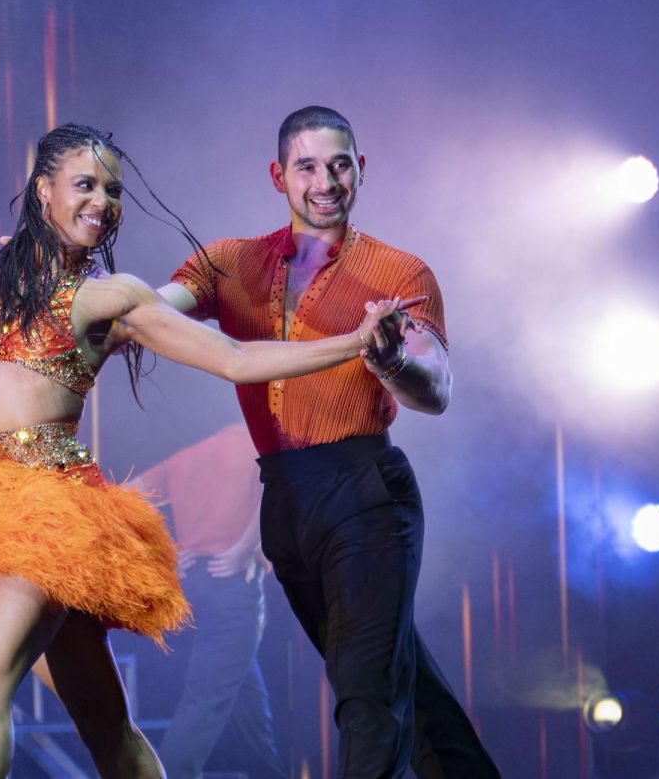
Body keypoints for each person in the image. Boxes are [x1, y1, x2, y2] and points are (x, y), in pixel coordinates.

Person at [0, 122, 415, 779]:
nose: (103, 203)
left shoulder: (107, 298)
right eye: (86, 185)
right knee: (108, 729)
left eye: (112, 191)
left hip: (50, 513)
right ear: (43, 191)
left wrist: (356, 344)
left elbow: (235, 357)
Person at [161, 106, 500, 778]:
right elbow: (150, 309)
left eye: (340, 164)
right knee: (400, 687)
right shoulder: (229, 261)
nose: (326, 180)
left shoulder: (400, 272)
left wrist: (393, 361)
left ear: (361, 169)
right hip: (285, 500)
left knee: (366, 697)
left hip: (365, 492)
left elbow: (436, 387)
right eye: (308, 166)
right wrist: (67, 292)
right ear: (278, 175)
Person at [133, 423, 288, 779]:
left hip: (195, 587)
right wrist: (247, 547)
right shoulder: (255, 444)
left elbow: (126, 496)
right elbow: (276, 493)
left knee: (246, 700)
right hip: (230, 582)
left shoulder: (185, 459)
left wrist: (165, 551)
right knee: (203, 704)